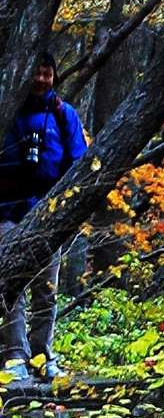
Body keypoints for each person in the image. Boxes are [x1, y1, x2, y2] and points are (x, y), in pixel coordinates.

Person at [0, 54, 88, 387]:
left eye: (47, 73)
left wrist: (68, 207)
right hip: (8, 212)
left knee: (46, 289)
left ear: (54, 76)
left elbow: (79, 162)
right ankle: (15, 356)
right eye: (36, 72)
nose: (41, 78)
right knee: (12, 286)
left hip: (50, 214)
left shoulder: (65, 115)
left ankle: (42, 355)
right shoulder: (8, 110)